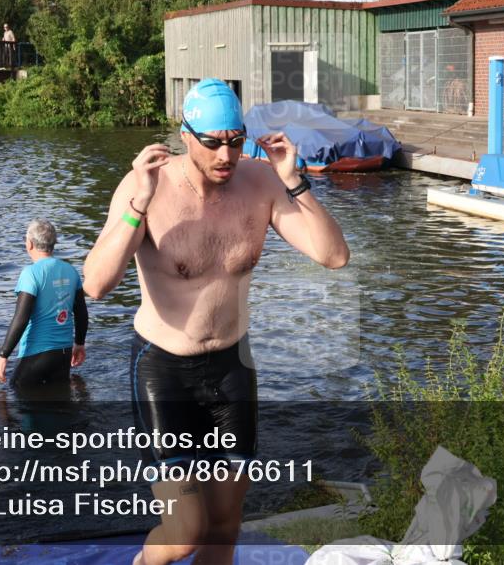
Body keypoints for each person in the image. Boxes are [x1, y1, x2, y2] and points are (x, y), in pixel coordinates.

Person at [82, 78, 349, 565]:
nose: (226, 156)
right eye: (213, 143)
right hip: (164, 369)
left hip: (231, 365)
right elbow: (96, 285)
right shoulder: (148, 186)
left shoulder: (261, 182)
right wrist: (137, 203)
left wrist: (293, 179)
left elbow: (333, 256)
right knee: (186, 532)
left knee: (224, 529)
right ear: (185, 135)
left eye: (235, 140)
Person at [0, 219, 87, 392]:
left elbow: (21, 318)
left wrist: (3, 355)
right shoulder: (71, 270)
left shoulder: (30, 274)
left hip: (36, 354)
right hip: (63, 354)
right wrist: (79, 344)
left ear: (29, 244)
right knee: (59, 405)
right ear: (53, 243)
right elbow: (81, 313)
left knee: (17, 396)